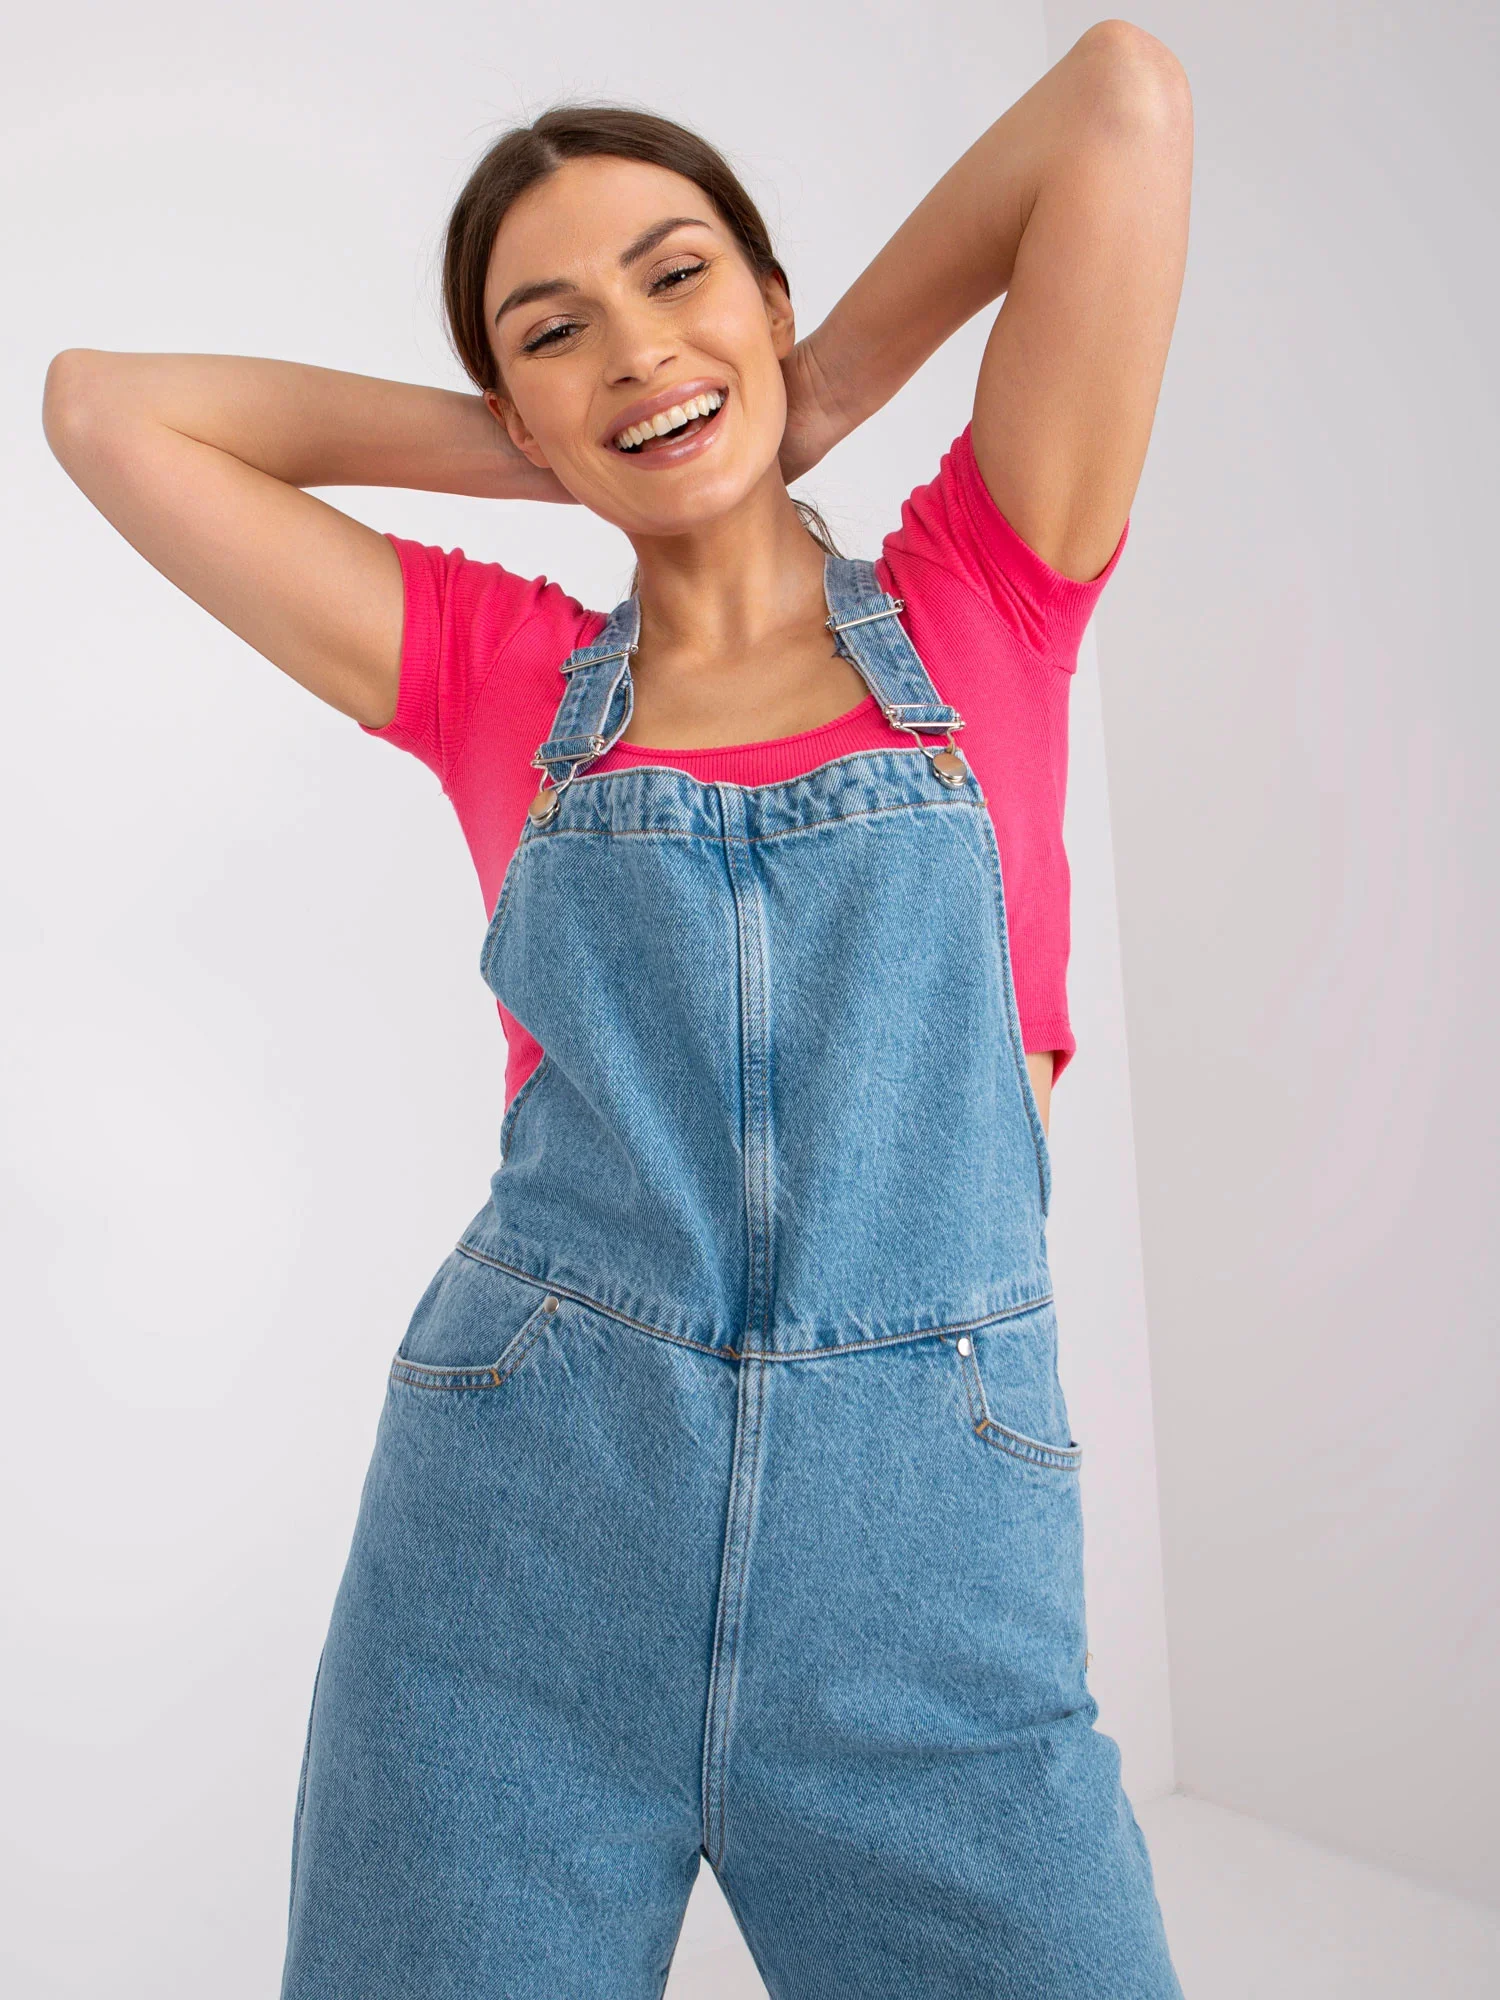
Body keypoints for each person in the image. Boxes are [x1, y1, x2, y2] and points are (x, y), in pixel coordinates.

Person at [43, 21, 1192, 1996]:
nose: (639, 346)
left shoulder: (988, 592)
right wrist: (543, 435)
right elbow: (102, 409)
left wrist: (817, 387)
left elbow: (1120, 101)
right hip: (524, 1543)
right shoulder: (495, 673)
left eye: (678, 277)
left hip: (926, 1560)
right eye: (554, 328)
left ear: (771, 294)